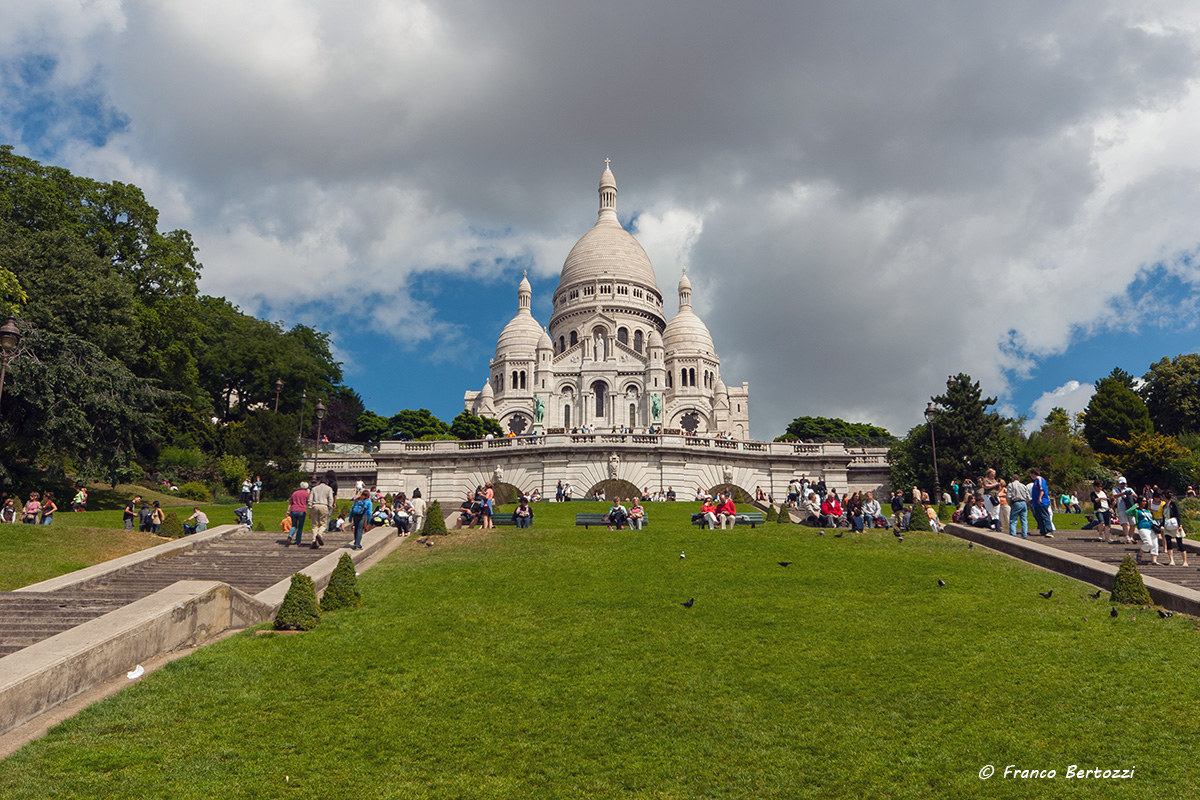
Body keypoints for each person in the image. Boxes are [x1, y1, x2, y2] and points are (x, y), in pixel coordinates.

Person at [1132, 496, 1161, 566]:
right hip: (1143, 528)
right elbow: (1128, 512)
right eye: (1142, 501)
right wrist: (1135, 506)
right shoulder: (1137, 511)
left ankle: (1154, 560)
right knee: (1148, 543)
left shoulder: (1148, 511)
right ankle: (1140, 554)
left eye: (1145, 501)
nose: (1144, 502)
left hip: (1151, 528)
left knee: (1155, 544)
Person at [1161, 490, 1187, 567]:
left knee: (1179, 543)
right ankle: (1171, 560)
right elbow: (1164, 517)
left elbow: (1177, 514)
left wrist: (1179, 525)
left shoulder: (1173, 503)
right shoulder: (1163, 506)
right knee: (1168, 542)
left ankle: (1184, 561)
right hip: (1167, 525)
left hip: (1174, 525)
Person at [308, 476, 335, 547]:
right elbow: (330, 499)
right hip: (324, 506)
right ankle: (319, 534)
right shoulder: (329, 489)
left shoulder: (314, 489)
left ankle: (314, 540)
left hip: (315, 506)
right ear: (326, 483)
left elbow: (310, 500)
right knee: (323, 524)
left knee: (314, 525)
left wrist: (310, 508)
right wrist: (329, 507)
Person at [1113, 477, 1136, 543]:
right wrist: (1123, 494)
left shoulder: (1129, 489)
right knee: (1124, 523)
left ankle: (1131, 537)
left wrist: (1131, 494)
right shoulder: (1116, 490)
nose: (1123, 485)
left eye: (1124, 483)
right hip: (1121, 508)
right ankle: (1127, 537)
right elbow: (1114, 496)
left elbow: (1135, 496)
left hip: (1130, 508)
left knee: (1133, 523)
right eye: (1121, 483)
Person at [1007, 473, 1031, 538]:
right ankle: (1024, 535)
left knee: (1013, 520)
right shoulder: (1023, 486)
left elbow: (1009, 496)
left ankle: (1013, 534)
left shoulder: (1011, 485)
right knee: (1024, 520)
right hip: (1023, 502)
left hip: (1016, 502)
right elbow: (1028, 497)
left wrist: (1009, 503)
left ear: (1013, 479)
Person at [287, 481, 310, 546]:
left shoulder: (294, 493)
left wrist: (288, 511)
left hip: (294, 510)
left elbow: (290, 503)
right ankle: (297, 541)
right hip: (302, 511)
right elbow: (309, 502)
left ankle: (290, 535)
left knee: (294, 525)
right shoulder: (307, 494)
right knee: (300, 527)